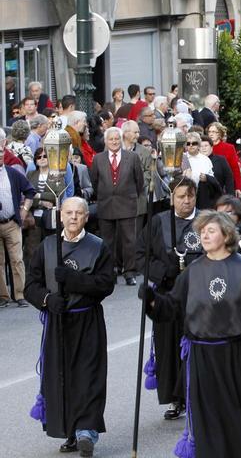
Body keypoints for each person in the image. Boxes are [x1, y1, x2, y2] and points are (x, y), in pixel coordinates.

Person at [144, 210, 241, 458]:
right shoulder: (192, 270)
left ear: (226, 234)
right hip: (202, 358)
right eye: (202, 231)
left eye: (211, 230)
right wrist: (152, 302)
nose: (204, 235)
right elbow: (173, 307)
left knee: (238, 414)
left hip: (236, 356)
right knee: (208, 417)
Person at [24, 197, 115, 457]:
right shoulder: (47, 246)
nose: (73, 217)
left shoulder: (98, 247)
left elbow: (105, 284)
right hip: (58, 320)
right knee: (62, 377)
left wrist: (75, 280)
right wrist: (46, 300)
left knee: (88, 375)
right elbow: (31, 285)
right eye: (68, 213)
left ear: (86, 217)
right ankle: (70, 431)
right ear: (60, 216)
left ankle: (87, 430)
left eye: (79, 213)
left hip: (87, 319)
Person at [136, 177, 202, 420]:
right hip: (167, 293)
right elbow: (141, 254)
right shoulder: (158, 222)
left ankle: (195, 394)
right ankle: (175, 398)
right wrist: (164, 270)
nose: (186, 201)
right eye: (181, 196)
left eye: (190, 196)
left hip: (198, 296)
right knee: (168, 347)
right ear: (172, 198)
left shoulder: (205, 221)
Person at [89, 127, 143, 285]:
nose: (114, 141)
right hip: (106, 204)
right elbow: (94, 181)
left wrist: (130, 194)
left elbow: (139, 181)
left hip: (127, 203)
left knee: (129, 240)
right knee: (107, 241)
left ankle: (129, 272)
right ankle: (110, 271)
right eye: (110, 139)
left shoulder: (132, 157)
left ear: (121, 139)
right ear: (105, 141)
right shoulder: (98, 158)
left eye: (116, 139)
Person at [0, 127, 37, 308]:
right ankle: (3, 296)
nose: (0, 155)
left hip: (12, 222)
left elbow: (30, 191)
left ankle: (20, 294)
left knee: (17, 259)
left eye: (1, 152)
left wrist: (23, 210)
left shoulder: (12, 172)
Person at [205, 122, 241, 197]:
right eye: (209, 132)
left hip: (225, 185)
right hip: (209, 185)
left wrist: (238, 187)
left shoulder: (229, 148)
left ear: (219, 134)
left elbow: (235, 168)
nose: (211, 134)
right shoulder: (205, 148)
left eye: (214, 132)